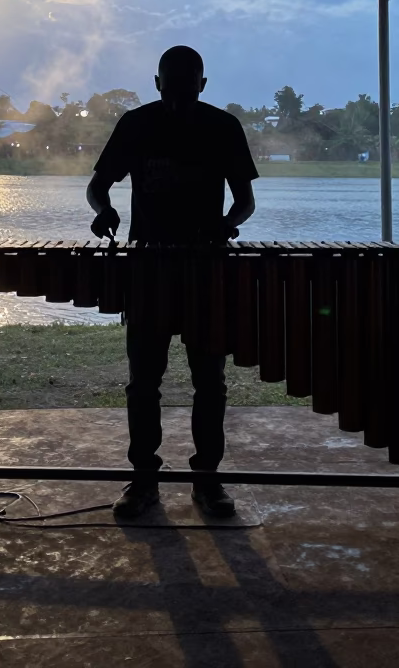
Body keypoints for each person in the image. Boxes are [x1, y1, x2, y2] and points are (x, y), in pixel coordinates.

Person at [86, 46, 258, 519]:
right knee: (143, 383)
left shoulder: (224, 127)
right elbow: (97, 186)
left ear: (203, 85)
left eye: (189, 85)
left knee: (211, 383)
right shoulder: (136, 124)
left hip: (207, 272)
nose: (180, 94)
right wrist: (104, 211)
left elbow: (245, 201)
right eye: (171, 84)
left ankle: (208, 479)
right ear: (156, 82)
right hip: (148, 271)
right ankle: (143, 480)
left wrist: (226, 224)